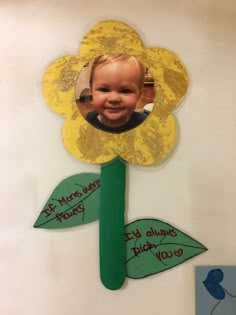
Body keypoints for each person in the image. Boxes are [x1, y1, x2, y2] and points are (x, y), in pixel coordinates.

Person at [86, 54, 148, 133]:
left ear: (138, 96)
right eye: (104, 89)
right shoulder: (90, 118)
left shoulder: (144, 123)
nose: (113, 98)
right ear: (92, 92)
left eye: (125, 91)